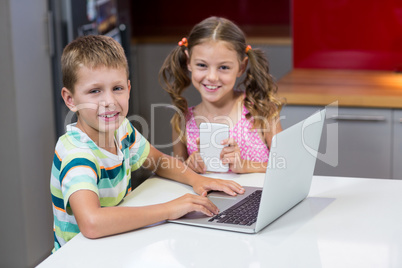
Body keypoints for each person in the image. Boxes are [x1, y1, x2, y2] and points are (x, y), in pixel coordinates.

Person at [50, 35, 245, 252]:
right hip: (81, 257)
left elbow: (158, 161)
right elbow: (92, 223)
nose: (109, 101)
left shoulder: (121, 129)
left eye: (117, 88)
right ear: (70, 99)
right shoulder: (77, 153)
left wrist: (197, 180)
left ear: (129, 88)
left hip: (114, 246)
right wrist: (169, 209)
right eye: (95, 91)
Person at [159, 17, 284, 174]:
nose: (212, 76)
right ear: (188, 62)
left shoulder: (261, 111)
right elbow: (179, 176)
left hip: (257, 198)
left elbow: (286, 165)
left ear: (241, 66)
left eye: (223, 67)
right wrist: (189, 168)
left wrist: (245, 166)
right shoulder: (182, 121)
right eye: (202, 65)